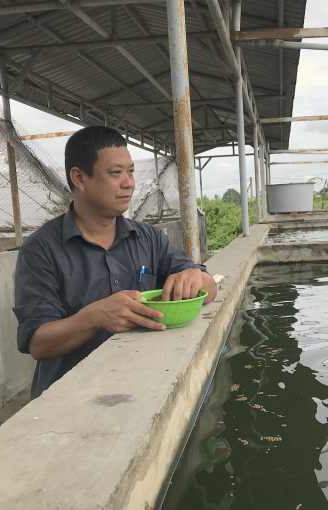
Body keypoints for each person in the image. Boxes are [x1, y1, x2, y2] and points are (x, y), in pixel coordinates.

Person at [13, 126, 216, 399]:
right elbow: (37, 342)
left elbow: (209, 287)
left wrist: (194, 276)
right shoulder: (41, 250)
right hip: (70, 401)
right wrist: (93, 317)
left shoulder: (149, 238)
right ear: (79, 178)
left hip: (142, 389)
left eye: (131, 172)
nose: (129, 183)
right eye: (116, 173)